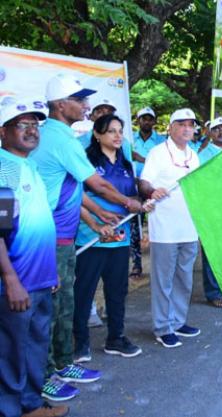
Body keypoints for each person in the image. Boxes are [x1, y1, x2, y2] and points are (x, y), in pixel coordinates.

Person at [32, 74, 143, 401]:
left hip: (64, 238)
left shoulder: (59, 136)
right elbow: (96, 183)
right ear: (59, 104)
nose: (86, 105)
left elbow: (76, 191)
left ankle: (64, 363)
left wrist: (97, 219)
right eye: (79, 99)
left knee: (63, 305)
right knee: (50, 310)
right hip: (49, 238)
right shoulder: (61, 138)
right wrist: (126, 203)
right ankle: (46, 375)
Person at [0, 100, 71, 417]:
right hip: (16, 284)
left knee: (34, 348)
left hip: (41, 280)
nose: (31, 131)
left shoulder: (30, 166)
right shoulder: (3, 170)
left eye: (35, 125)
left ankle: (30, 406)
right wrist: (10, 280)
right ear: (3, 132)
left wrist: (51, 272)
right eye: (21, 124)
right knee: (10, 353)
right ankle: (10, 410)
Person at [73, 115, 147, 364]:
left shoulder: (126, 164)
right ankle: (79, 343)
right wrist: (96, 223)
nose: (117, 136)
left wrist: (143, 201)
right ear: (97, 134)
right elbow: (76, 198)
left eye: (120, 131)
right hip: (90, 237)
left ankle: (116, 337)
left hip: (120, 237)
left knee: (117, 291)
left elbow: (131, 196)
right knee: (84, 291)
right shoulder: (85, 160)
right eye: (111, 131)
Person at [139, 108, 202, 348]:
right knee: (163, 279)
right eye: (181, 124)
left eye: (191, 124)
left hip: (189, 226)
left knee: (184, 277)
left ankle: (178, 321)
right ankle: (162, 327)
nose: (187, 128)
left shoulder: (194, 156)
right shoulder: (157, 153)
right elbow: (144, 181)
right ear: (171, 127)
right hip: (164, 228)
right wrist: (151, 191)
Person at [197, 117, 222, 307]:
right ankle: (213, 292)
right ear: (210, 133)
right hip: (213, 208)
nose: (221, 132)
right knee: (212, 250)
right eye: (216, 129)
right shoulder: (202, 154)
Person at [130, 106, 165, 281]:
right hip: (134, 187)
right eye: (143, 118)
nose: (147, 122)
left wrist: (140, 158)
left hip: (154, 189)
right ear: (138, 121)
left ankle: (161, 265)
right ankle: (136, 265)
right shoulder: (129, 139)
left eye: (150, 118)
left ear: (154, 121)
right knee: (135, 227)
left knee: (158, 225)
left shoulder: (162, 141)